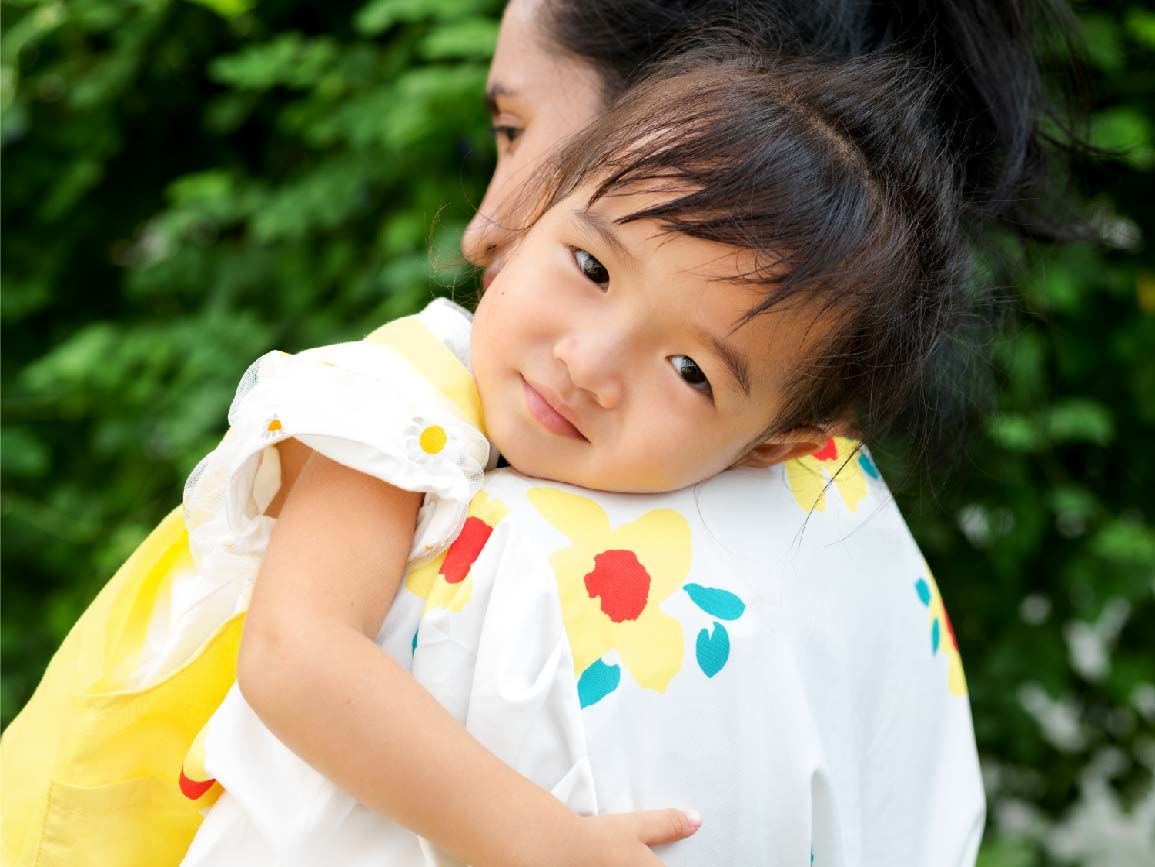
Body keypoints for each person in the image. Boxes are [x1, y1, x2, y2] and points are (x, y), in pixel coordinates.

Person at [1, 1, 1084, 865]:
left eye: (691, 370)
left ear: (778, 445)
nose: (589, 362)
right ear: (545, 211)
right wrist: (539, 840)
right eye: (592, 266)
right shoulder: (405, 396)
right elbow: (296, 654)